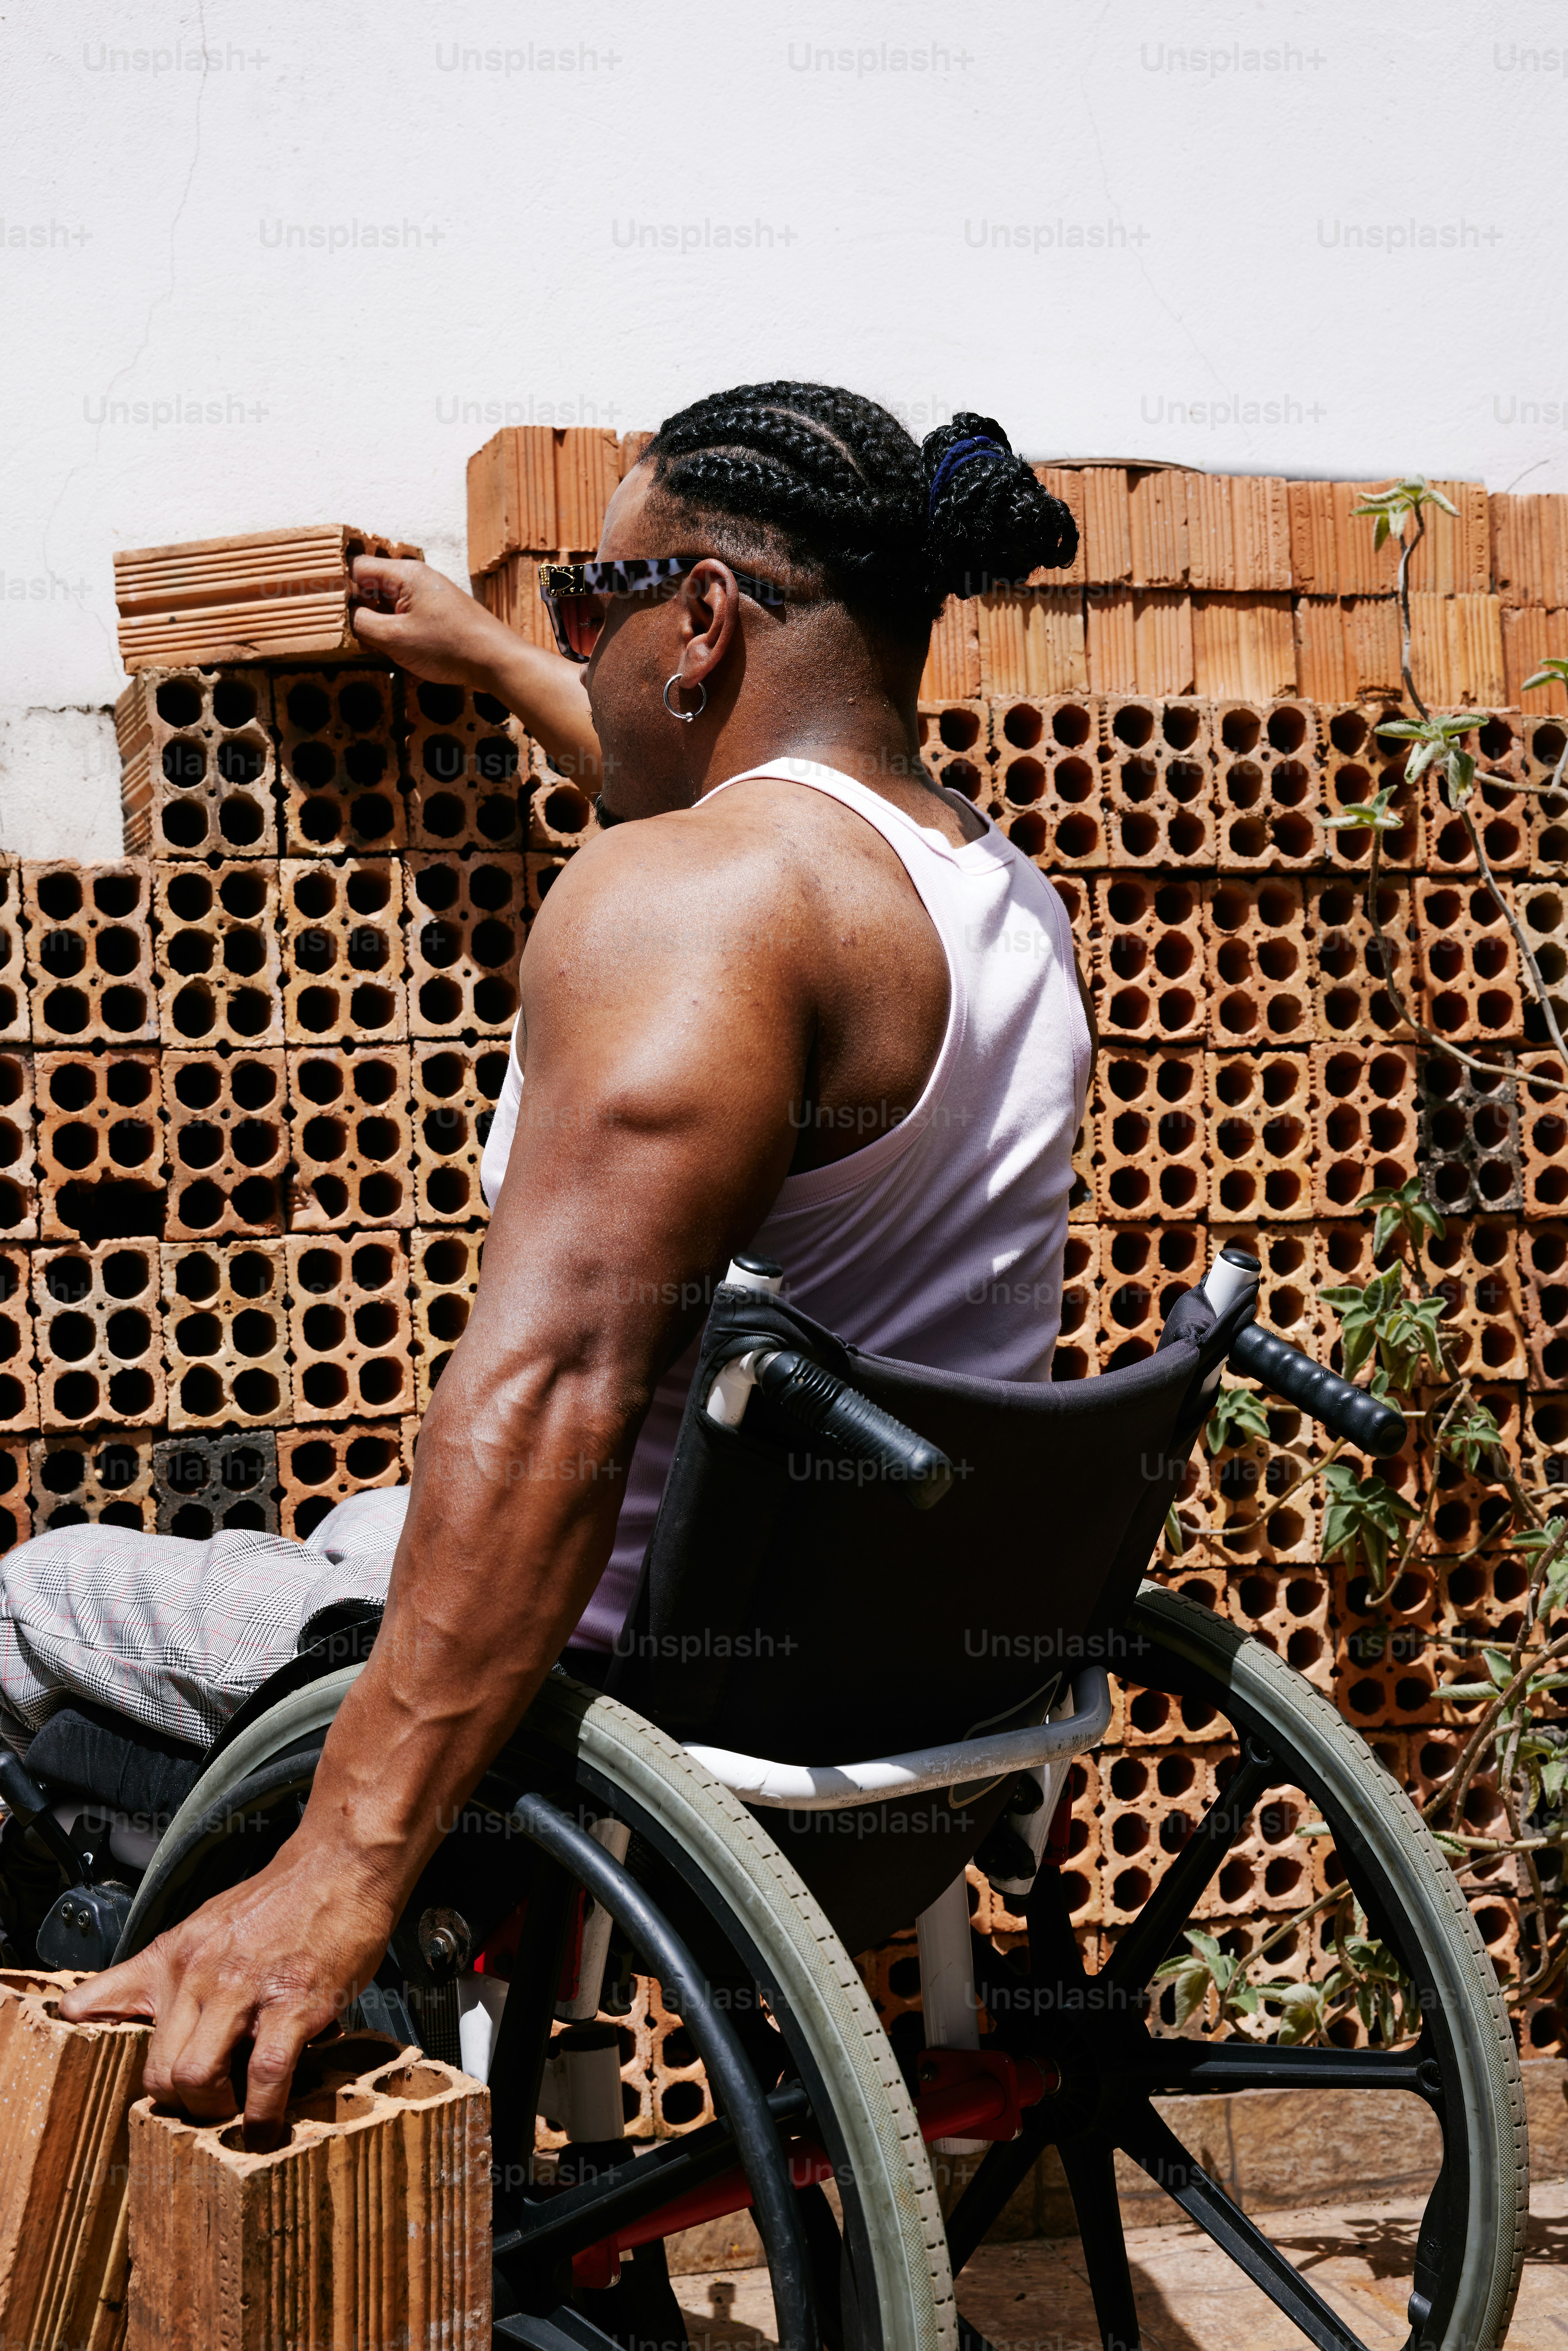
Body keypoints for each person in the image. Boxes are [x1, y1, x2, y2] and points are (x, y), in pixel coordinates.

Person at [32, 383, 1091, 2135]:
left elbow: (551, 1403)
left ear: (703, 624)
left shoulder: (690, 903)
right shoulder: (996, 895)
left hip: (598, 1656)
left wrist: (338, 1864)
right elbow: (708, 788)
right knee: (331, 1539)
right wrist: (492, 660)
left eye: (591, 606)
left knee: (36, 1600)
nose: (574, 646)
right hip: (866, 1647)